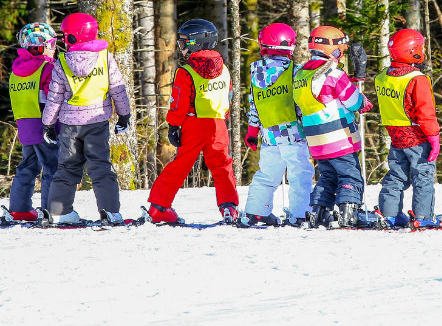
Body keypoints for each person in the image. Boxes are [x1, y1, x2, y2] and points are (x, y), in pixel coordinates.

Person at [145, 19, 239, 224]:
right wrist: (223, 119)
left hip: (193, 125)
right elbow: (228, 97)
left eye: (184, 43)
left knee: (180, 166)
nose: (181, 48)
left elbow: (178, 102)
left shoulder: (185, 72)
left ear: (197, 43)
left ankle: (159, 207)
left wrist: (174, 125)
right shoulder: (225, 70)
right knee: (223, 167)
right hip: (218, 125)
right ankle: (229, 207)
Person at [41, 13, 131, 225]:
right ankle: (109, 211)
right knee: (100, 166)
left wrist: (48, 124)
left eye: (65, 36)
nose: (63, 40)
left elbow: (54, 98)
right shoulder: (105, 58)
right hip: (97, 122)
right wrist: (124, 115)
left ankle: (59, 211)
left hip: (70, 126)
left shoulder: (61, 62)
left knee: (67, 167)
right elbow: (118, 90)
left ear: (72, 37)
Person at [292, 25, 372, 228]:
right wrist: (362, 101)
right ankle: (349, 210)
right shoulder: (333, 74)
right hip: (338, 137)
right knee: (350, 174)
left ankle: (318, 211)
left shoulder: (301, 74)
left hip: (316, 140)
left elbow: (324, 94)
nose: (342, 53)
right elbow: (353, 101)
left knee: (327, 176)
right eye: (340, 48)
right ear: (331, 47)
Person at [241, 23, 314, 226]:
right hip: (293, 132)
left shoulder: (256, 73)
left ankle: (256, 211)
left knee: (267, 173)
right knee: (300, 174)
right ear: (289, 45)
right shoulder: (295, 71)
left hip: (269, 133)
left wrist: (252, 131)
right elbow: (301, 101)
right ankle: (300, 214)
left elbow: (254, 104)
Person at [374, 29, 439, 227]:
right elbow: (425, 112)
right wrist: (434, 137)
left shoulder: (382, 77)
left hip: (396, 136)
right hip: (417, 137)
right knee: (423, 176)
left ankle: (389, 214)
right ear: (413, 51)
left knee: (396, 175)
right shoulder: (416, 79)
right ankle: (423, 217)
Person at [3, 23, 59, 222]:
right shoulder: (47, 68)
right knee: (52, 166)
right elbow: (54, 97)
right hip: (45, 126)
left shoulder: (16, 70)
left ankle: (19, 209)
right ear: (39, 47)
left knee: (28, 166)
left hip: (25, 127)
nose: (54, 48)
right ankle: (52, 210)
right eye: (52, 44)